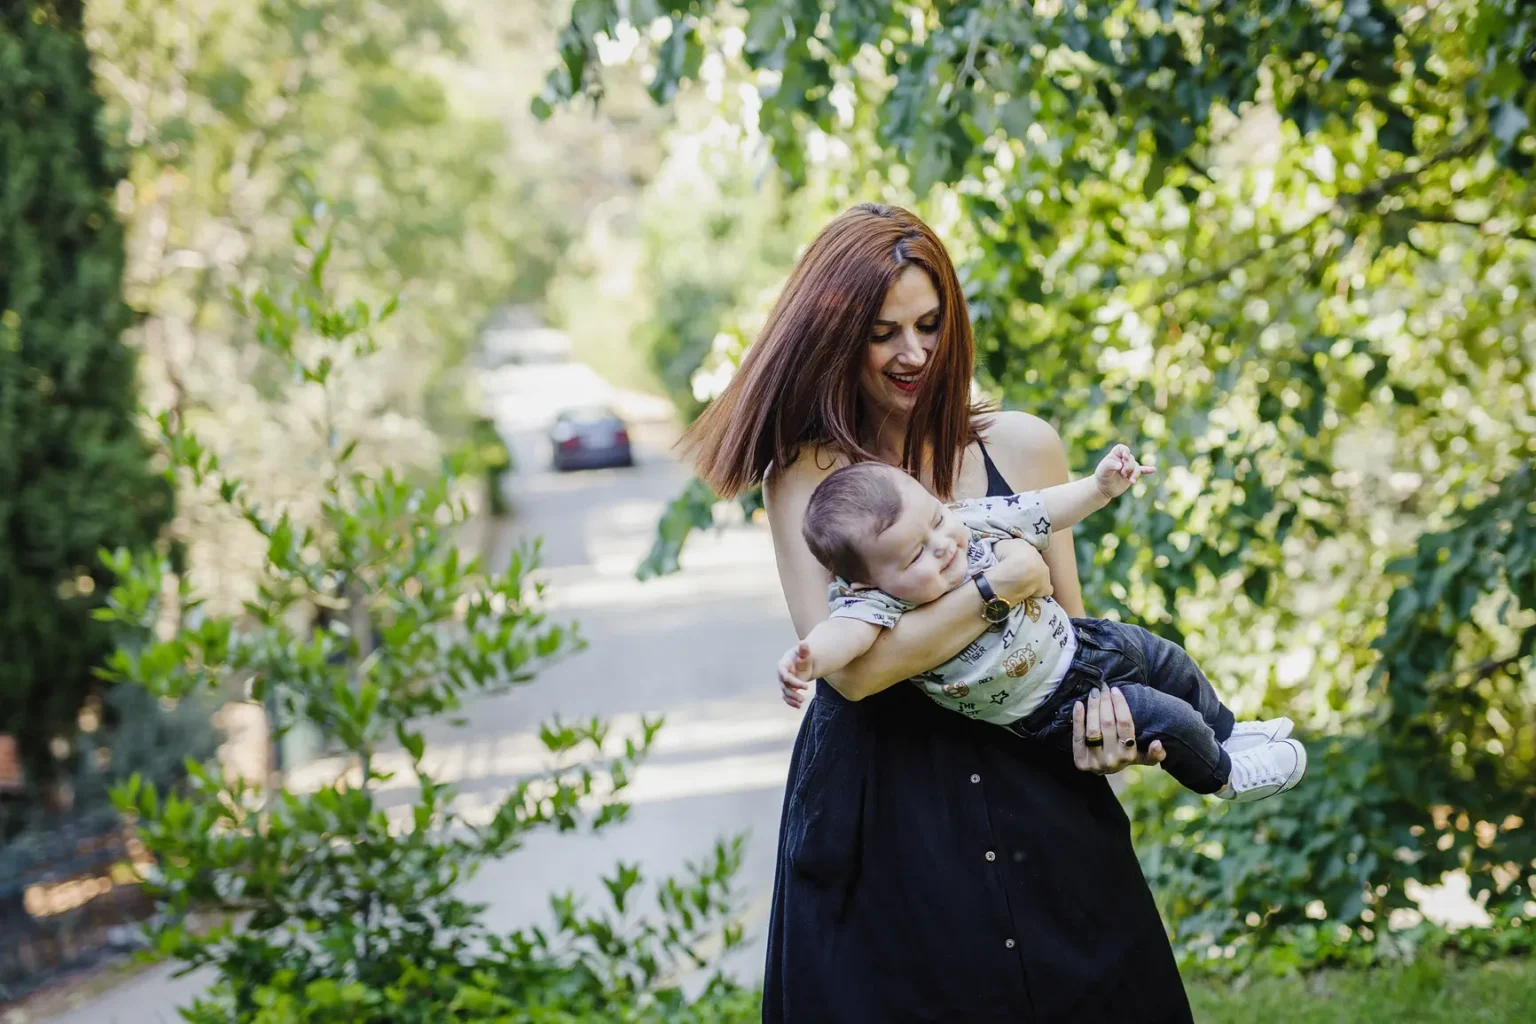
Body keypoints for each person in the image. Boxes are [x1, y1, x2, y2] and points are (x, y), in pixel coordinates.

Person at [682, 202, 1197, 1021]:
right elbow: (860, 672)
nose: (913, 352)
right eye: (883, 331)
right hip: (884, 812)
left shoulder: (1022, 447)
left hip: (1037, 790)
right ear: (838, 334)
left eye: (929, 323)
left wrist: (1107, 726)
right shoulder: (808, 478)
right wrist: (996, 589)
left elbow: (1071, 634)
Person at [778, 456, 1306, 801]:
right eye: (916, 553)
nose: (942, 544)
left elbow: (1042, 509)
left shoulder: (968, 519)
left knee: (1166, 658)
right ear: (868, 580)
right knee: (1161, 715)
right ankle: (1224, 776)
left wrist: (1099, 488)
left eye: (937, 520)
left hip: (1084, 643)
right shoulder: (872, 603)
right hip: (1052, 708)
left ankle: (1229, 732)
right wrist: (808, 659)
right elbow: (843, 639)